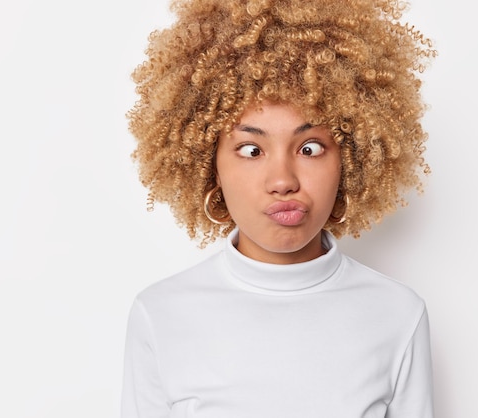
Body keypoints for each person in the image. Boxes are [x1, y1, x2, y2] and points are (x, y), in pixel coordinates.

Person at [121, 0, 437, 417]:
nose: (283, 180)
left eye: (310, 148)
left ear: (351, 157)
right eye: (251, 149)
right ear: (207, 163)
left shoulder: (397, 314)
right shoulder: (161, 314)